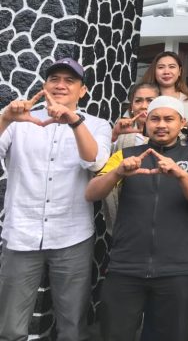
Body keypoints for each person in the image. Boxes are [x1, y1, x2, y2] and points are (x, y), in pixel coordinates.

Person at [0, 58, 112, 341]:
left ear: (82, 90)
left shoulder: (97, 125)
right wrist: (5, 119)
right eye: (54, 79)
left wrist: (74, 122)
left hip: (72, 235)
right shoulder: (19, 121)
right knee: (10, 326)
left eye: (69, 80)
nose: (61, 85)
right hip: (21, 233)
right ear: (44, 85)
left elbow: (96, 162)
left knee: (72, 325)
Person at [86, 96, 188, 341]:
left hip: (176, 269)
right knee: (115, 335)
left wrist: (180, 174)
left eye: (169, 119)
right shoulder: (125, 155)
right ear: (146, 122)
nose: (161, 125)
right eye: (155, 119)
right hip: (125, 266)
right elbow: (91, 193)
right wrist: (118, 172)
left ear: (182, 123)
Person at [105, 82, 159, 235]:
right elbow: (101, 164)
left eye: (150, 100)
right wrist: (115, 135)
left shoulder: (173, 133)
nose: (144, 106)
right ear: (131, 106)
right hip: (125, 205)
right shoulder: (121, 131)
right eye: (138, 101)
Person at [141, 51, 188, 122]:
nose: (166, 72)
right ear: (154, 71)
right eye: (161, 67)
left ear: (179, 71)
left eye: (172, 67)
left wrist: (186, 125)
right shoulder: (143, 100)